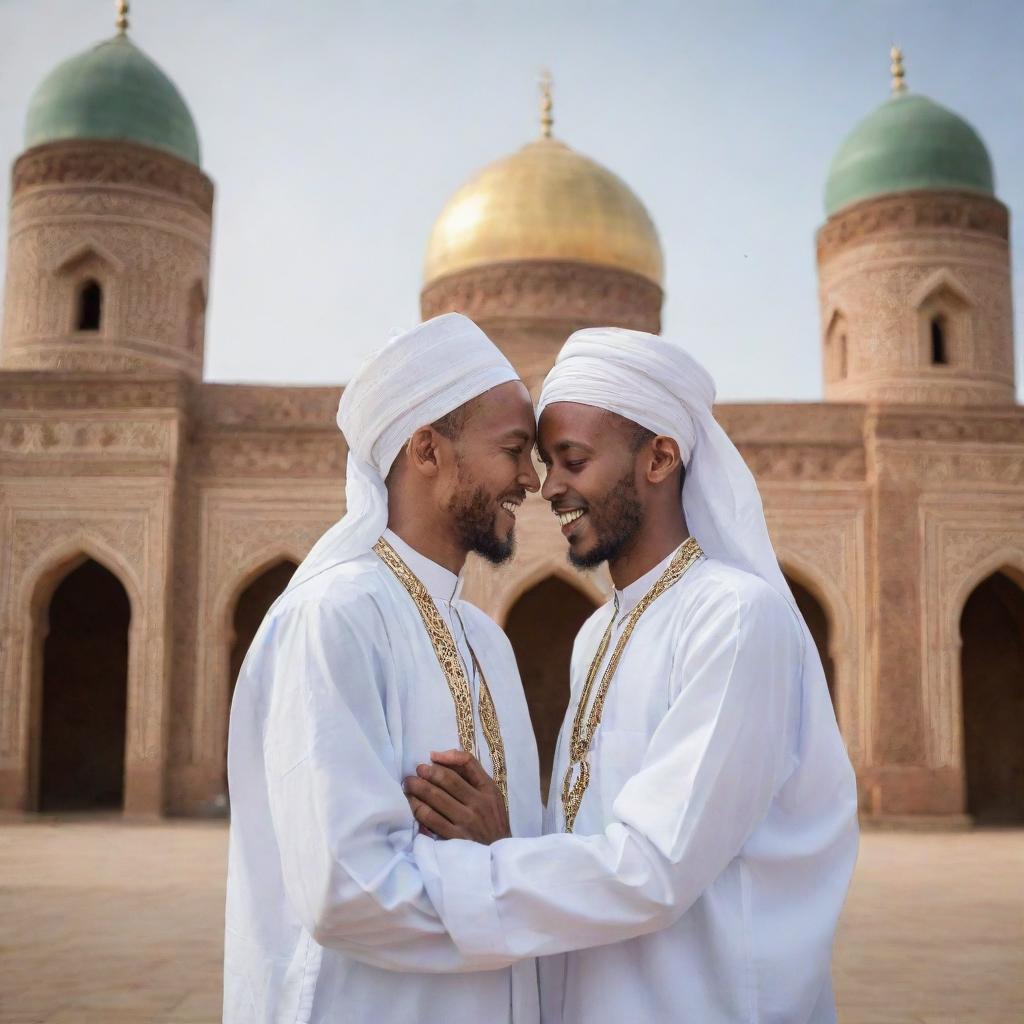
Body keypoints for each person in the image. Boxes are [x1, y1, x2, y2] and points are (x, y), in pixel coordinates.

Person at [405, 327, 860, 1023]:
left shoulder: (734, 618)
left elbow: (656, 868)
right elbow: (598, 837)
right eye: (543, 461)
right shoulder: (601, 631)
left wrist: (492, 859)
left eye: (573, 461)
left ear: (660, 458)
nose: (548, 488)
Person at [223, 313, 543, 1024]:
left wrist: (504, 857)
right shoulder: (333, 617)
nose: (532, 478)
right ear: (428, 449)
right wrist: (508, 870)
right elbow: (345, 891)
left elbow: (512, 845)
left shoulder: (487, 642)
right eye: (514, 449)